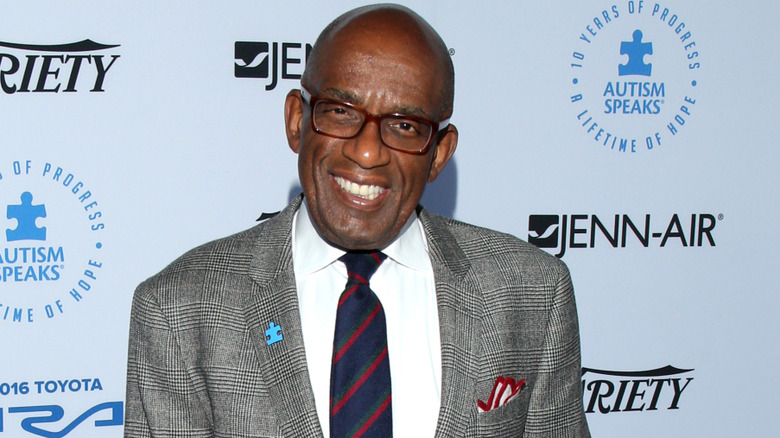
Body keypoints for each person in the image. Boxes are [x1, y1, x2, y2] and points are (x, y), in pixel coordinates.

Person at [124, 4, 590, 437]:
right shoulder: (179, 310)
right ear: (296, 122)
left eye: (405, 125)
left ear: (439, 154)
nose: (367, 150)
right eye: (341, 112)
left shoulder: (531, 293)